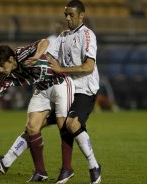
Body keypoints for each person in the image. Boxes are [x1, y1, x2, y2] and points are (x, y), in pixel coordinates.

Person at [0, 39, 75, 182]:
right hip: (43, 89)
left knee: (66, 126)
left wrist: (38, 55)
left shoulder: (21, 54)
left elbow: (44, 41)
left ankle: (71, 168)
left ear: (12, 59)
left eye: (2, 65)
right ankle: (40, 172)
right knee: (32, 127)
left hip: (60, 83)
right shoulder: (5, 75)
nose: (0, 69)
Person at [46, 1, 102, 183]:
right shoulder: (62, 36)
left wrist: (60, 69)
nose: (67, 18)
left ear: (81, 15)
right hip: (65, 88)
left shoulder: (87, 35)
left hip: (84, 89)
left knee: (71, 124)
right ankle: (8, 161)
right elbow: (48, 57)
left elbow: (88, 67)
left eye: (71, 15)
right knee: (34, 124)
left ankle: (94, 166)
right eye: (65, 15)